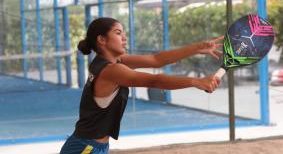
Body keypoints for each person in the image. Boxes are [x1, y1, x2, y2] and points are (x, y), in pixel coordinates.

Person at [60, 17, 223, 154]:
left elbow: (156, 60)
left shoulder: (113, 61)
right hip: (85, 148)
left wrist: (197, 48)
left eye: (123, 32)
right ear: (102, 40)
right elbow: (154, 81)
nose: (124, 37)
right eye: (118, 33)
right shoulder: (111, 70)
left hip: (92, 146)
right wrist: (196, 81)